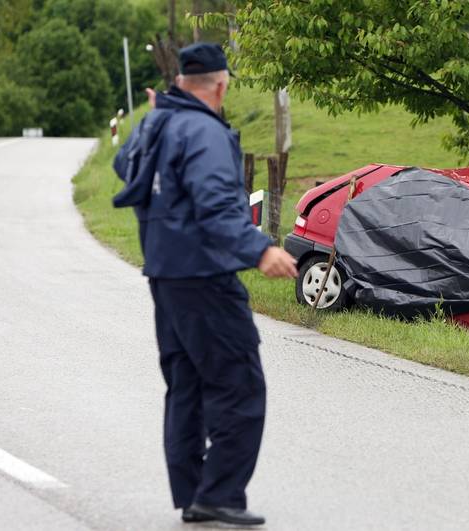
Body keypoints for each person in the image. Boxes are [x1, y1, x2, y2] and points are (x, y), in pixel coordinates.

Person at [113, 43, 297, 527]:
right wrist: (260, 250)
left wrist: (151, 117)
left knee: (186, 387)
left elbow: (124, 168)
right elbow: (215, 206)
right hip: (205, 277)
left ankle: (194, 494)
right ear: (220, 85)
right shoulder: (204, 132)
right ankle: (219, 495)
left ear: (180, 83)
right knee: (239, 384)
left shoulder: (157, 122)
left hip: (166, 277)